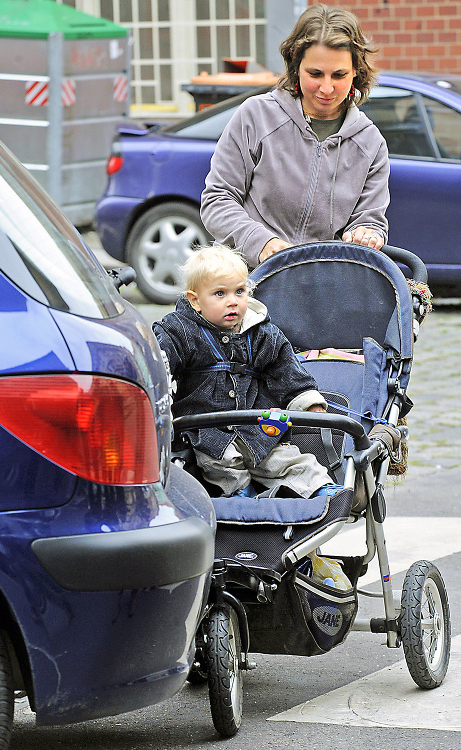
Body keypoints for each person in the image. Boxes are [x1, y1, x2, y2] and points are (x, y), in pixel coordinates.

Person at [200, 4, 389, 269]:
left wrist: (367, 234)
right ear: (295, 66)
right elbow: (217, 200)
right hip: (249, 280)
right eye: (315, 74)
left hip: (320, 288)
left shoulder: (370, 143)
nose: (326, 87)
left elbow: (370, 220)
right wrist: (262, 243)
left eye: (339, 75)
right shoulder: (256, 116)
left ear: (356, 71)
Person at [153, 245, 340, 499]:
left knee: (285, 458)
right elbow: (159, 361)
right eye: (220, 294)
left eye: (239, 291)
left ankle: (320, 487)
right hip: (206, 430)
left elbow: (284, 366)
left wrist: (306, 398)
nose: (232, 301)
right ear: (195, 300)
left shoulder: (260, 331)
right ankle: (242, 495)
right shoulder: (179, 331)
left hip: (255, 426)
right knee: (221, 464)